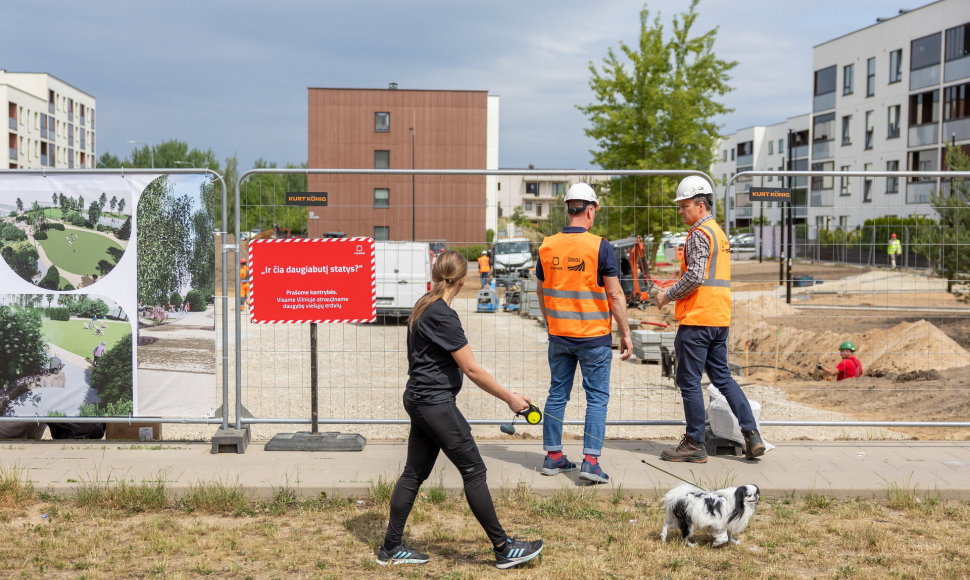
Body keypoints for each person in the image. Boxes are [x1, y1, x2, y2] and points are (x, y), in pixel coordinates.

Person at [378, 251, 543, 569]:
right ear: (464, 279)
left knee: (414, 473)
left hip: (420, 398)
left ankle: (391, 547)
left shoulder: (425, 303)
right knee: (474, 471)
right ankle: (503, 547)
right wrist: (510, 398)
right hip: (434, 403)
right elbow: (472, 369)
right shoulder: (442, 314)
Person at [654, 176, 766, 463]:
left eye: (684, 205)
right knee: (723, 378)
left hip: (698, 319)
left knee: (689, 381)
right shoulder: (719, 233)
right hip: (719, 318)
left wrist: (667, 295)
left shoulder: (698, 234)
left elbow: (695, 276)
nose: (681, 211)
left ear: (700, 205)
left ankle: (694, 443)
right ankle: (752, 435)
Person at [535, 182, 632, 484]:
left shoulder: (547, 245)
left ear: (568, 209)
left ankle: (553, 457)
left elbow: (541, 290)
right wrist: (625, 333)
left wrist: (550, 321)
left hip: (559, 334)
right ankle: (590, 461)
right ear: (590, 210)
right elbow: (615, 295)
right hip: (593, 337)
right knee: (597, 399)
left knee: (556, 394)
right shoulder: (600, 246)